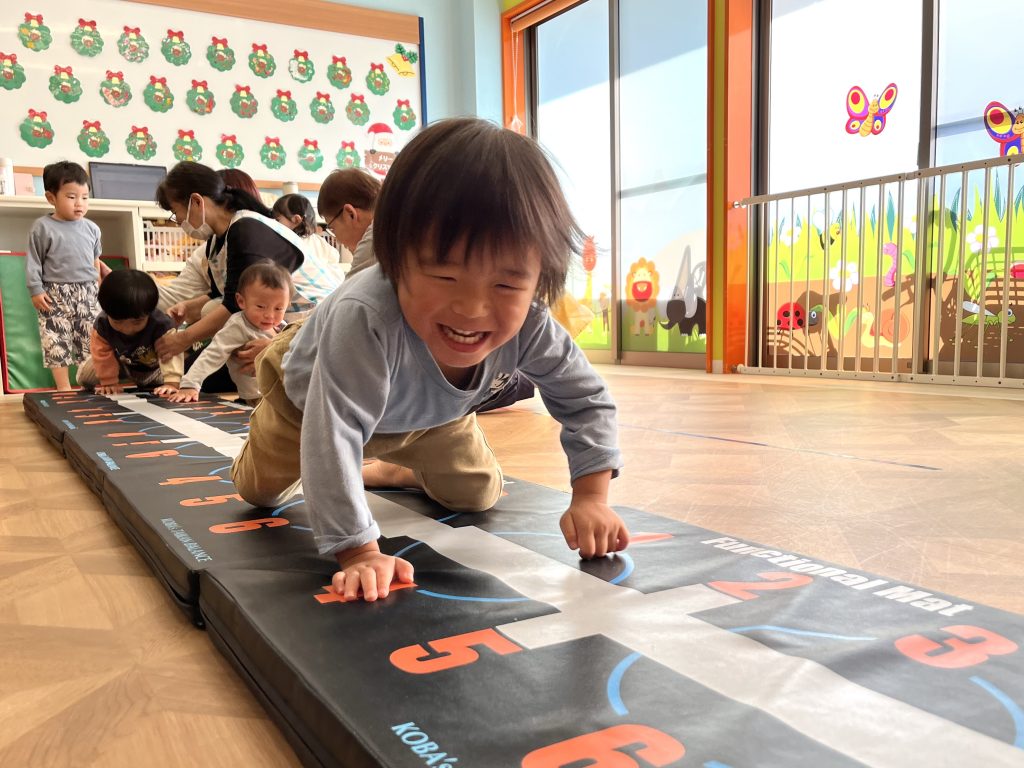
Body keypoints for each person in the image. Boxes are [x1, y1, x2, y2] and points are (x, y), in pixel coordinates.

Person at [232, 117, 630, 603]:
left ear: (539, 277)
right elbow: (331, 433)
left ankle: (390, 468)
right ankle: (283, 437)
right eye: (444, 276)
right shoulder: (365, 314)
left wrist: (591, 497)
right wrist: (359, 552)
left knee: (477, 494)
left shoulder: (530, 323)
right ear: (394, 257)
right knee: (260, 493)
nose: (472, 309)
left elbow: (586, 399)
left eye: (506, 284)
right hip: (307, 402)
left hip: (430, 412)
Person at [153, 163, 338, 367]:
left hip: (315, 322)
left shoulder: (246, 231)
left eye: (175, 212)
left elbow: (234, 306)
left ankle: (263, 384)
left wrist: (183, 339)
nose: (178, 220)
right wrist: (187, 308)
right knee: (211, 317)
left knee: (232, 325)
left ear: (196, 201)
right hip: (275, 317)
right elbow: (221, 294)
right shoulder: (217, 241)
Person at [25, 161, 102, 391]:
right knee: (56, 340)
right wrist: (35, 289)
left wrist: (98, 288)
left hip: (87, 292)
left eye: (85, 197)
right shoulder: (42, 227)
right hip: (54, 293)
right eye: (71, 197)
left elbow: (95, 262)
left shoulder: (92, 229)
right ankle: (64, 389)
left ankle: (88, 383)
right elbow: (34, 261)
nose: (80, 203)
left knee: (90, 338)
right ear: (51, 198)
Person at [170, 262, 291, 405]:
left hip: (285, 393)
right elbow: (213, 354)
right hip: (259, 398)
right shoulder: (238, 326)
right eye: (260, 306)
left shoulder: (283, 326)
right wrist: (190, 384)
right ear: (241, 301)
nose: (269, 315)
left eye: (278, 309)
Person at [76, 269, 179, 395]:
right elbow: (102, 354)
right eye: (117, 322)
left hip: (154, 368)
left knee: (169, 379)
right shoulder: (102, 324)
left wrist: (172, 383)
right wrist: (109, 383)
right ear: (107, 312)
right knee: (85, 377)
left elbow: (170, 353)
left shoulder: (161, 325)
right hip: (118, 364)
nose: (127, 329)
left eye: (137, 322)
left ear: (149, 312)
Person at [317, 168, 378, 273]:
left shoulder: (373, 243)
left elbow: (354, 283)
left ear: (350, 214)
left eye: (332, 228)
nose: (338, 241)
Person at [272, 193, 343, 274]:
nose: (274, 224)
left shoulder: (290, 244)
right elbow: (335, 256)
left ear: (296, 220)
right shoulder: (318, 240)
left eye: (277, 220)